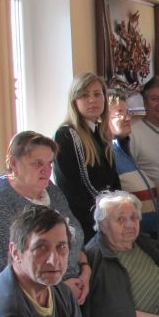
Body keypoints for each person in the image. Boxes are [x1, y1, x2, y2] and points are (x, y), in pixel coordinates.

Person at [0, 131, 89, 303]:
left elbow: (73, 237)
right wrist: (61, 290)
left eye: (50, 163)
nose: (47, 171)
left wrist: (85, 271)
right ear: (14, 163)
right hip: (17, 299)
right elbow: (7, 265)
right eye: (37, 163)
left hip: (68, 289)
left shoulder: (49, 189)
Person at [54, 72, 120, 243]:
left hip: (109, 219)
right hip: (86, 225)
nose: (92, 100)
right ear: (74, 101)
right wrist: (102, 220)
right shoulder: (66, 136)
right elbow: (70, 190)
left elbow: (113, 181)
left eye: (97, 94)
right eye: (84, 95)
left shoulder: (101, 134)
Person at [109, 93, 159, 239]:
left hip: (146, 235)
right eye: (120, 113)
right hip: (129, 236)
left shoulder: (124, 149)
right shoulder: (109, 154)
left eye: (128, 113)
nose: (127, 118)